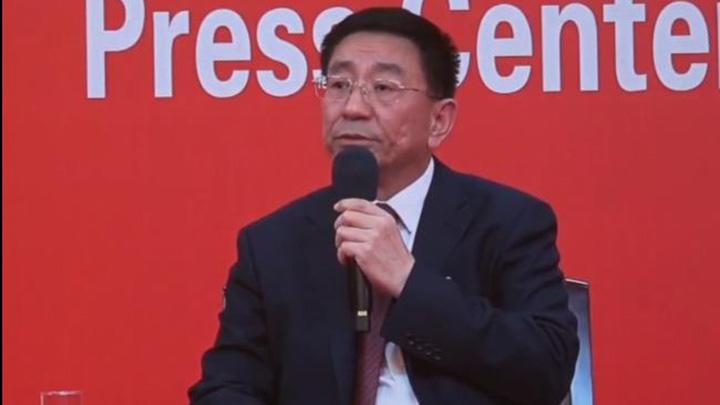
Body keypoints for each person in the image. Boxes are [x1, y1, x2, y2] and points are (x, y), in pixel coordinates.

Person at [189, 7, 578, 405]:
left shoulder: (508, 222)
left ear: (439, 120)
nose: (353, 107)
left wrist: (409, 281)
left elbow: (547, 369)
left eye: (383, 87)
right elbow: (225, 387)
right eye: (339, 84)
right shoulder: (271, 244)